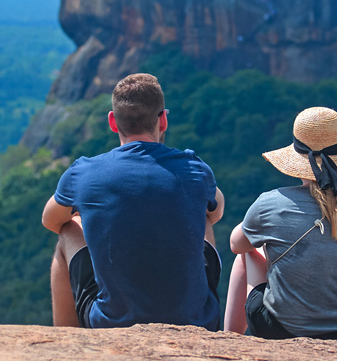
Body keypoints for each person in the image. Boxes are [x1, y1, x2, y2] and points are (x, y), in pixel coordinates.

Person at [41, 73, 225, 330]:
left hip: (112, 324)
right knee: (202, 213)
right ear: (163, 120)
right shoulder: (195, 168)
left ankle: (68, 343)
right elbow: (216, 211)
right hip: (197, 322)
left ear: (113, 122)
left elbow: (50, 221)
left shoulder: (83, 173)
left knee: (68, 230)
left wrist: (90, 218)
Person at [224, 106, 337, 341]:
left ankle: (230, 340)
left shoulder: (271, 203)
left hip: (280, 330)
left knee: (250, 251)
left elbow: (236, 245)